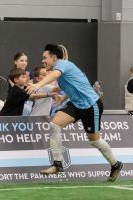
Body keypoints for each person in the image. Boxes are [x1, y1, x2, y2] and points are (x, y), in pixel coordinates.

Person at [26, 44, 123, 181]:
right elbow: (72, 85)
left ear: (54, 57)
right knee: (54, 125)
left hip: (91, 105)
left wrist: (37, 85)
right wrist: (61, 96)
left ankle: (116, 164)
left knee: (94, 141)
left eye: (44, 58)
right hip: (76, 104)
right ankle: (57, 164)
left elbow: (56, 75)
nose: (42, 61)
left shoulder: (63, 64)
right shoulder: (60, 70)